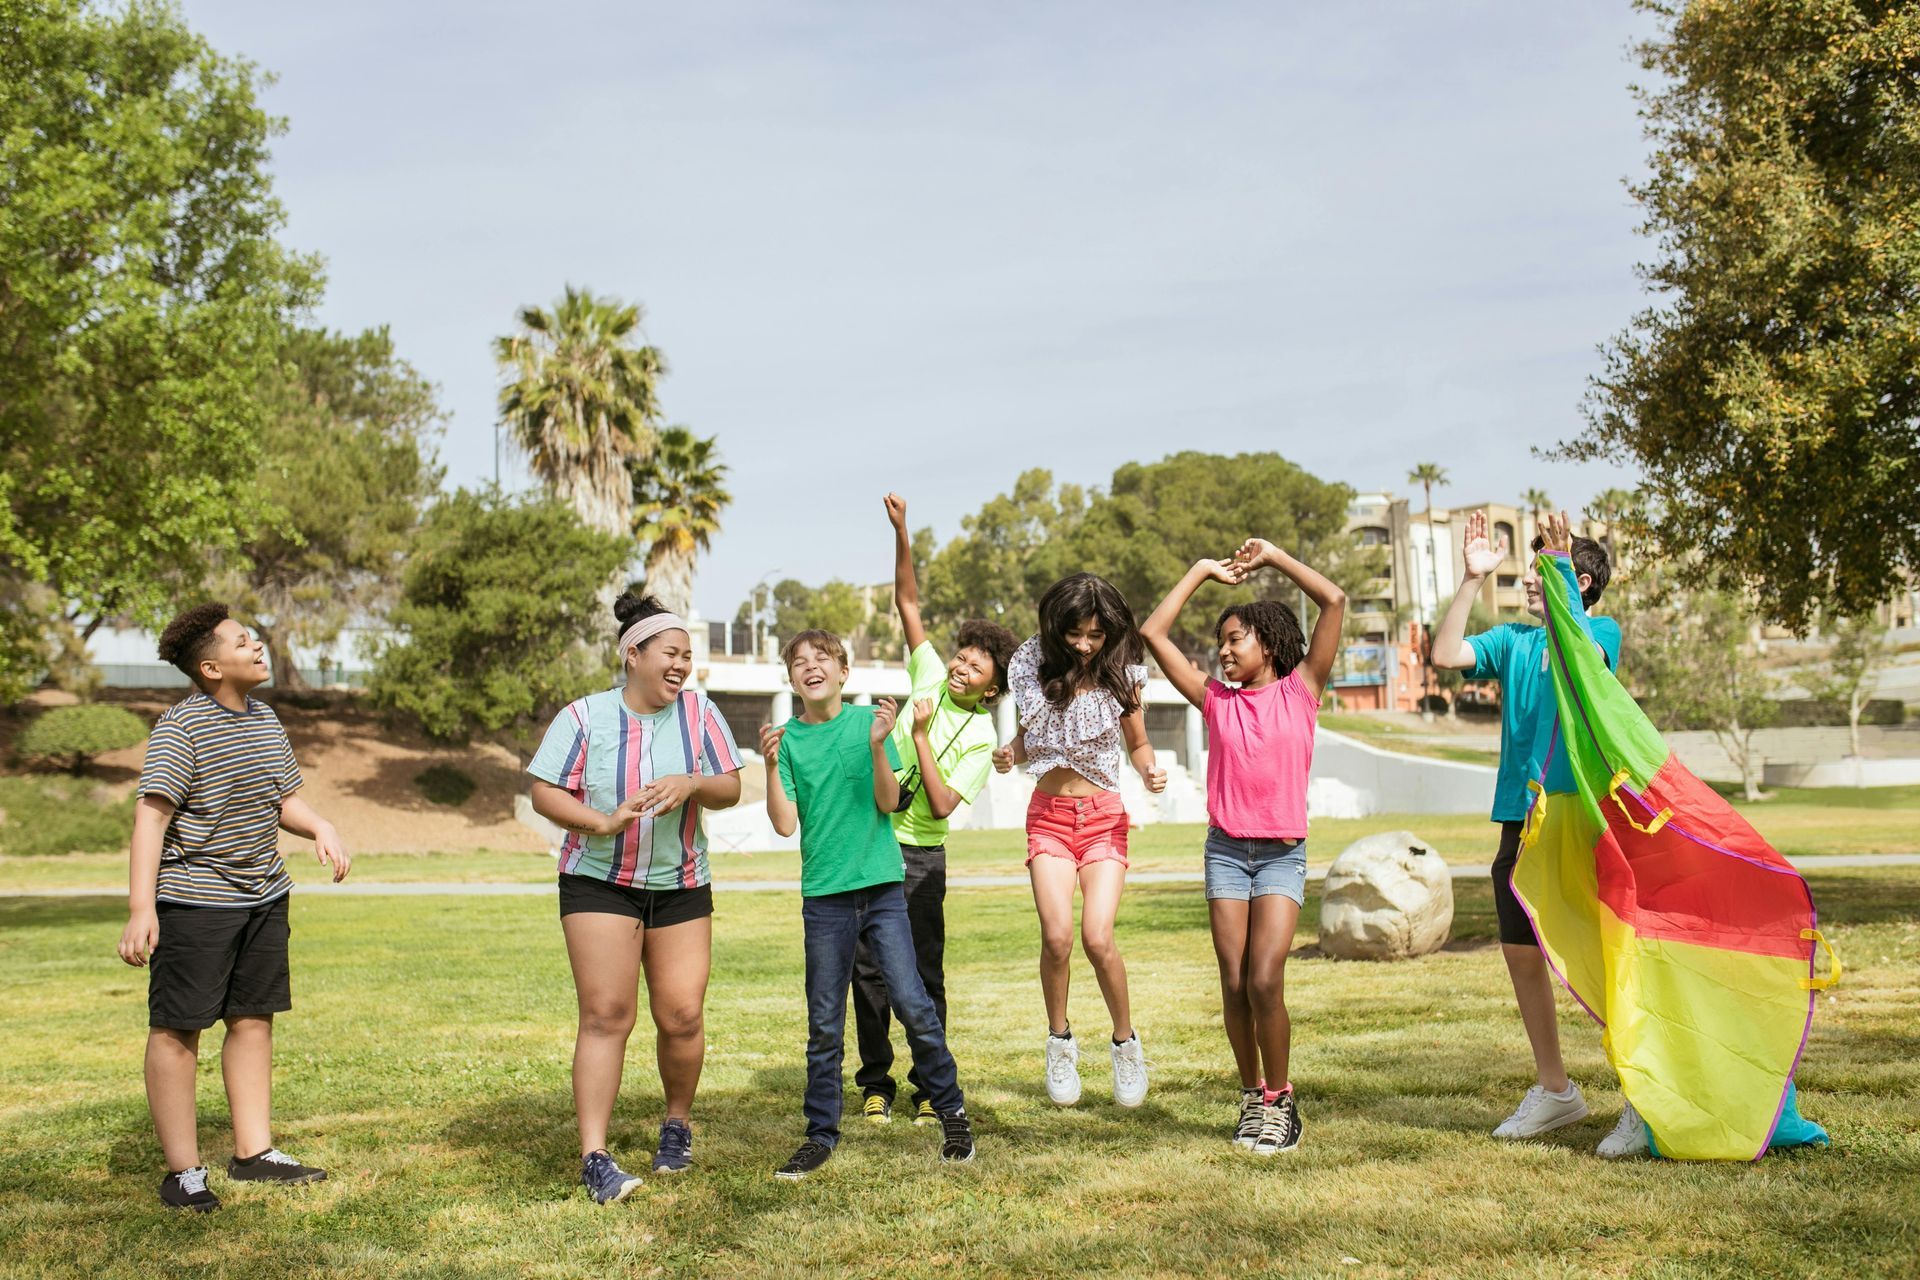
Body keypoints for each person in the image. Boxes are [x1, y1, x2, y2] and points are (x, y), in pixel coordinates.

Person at [117, 603, 351, 1212]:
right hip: (195, 901)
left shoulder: (266, 719)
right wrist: (143, 907)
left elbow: (283, 799)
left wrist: (319, 824)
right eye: (244, 642)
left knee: (252, 1017)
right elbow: (151, 819)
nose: (258, 647)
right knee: (178, 1028)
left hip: (263, 894)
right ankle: (183, 1172)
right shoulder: (181, 728)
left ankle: (253, 1154)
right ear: (212, 665)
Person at [1433, 509, 1641, 1156]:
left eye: (1544, 567)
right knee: (1523, 955)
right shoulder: (1515, 643)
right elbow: (1444, 656)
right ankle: (1556, 1090)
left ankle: (1642, 1097)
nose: (1528, 578)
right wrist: (1469, 581)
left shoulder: (1599, 630)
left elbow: (1585, 659)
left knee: (1607, 955)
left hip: (1583, 813)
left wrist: (1554, 567)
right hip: (1519, 818)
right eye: (1531, 567)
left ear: (1579, 580)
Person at [527, 593, 744, 1204]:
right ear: (633, 654)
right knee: (606, 1016)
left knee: (681, 1015)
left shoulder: (701, 714)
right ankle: (594, 1156)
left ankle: (676, 1125)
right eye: (670, 653)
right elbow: (545, 792)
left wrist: (692, 782)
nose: (681, 666)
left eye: (687, 656)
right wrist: (600, 822)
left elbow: (729, 787)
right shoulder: (583, 717)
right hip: (597, 881)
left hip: (681, 885)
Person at [1139, 538, 1344, 1155]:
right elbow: (1154, 632)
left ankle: (1282, 1100)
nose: (1224, 651)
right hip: (1227, 852)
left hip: (1281, 854)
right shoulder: (1216, 701)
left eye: (1236, 640)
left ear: (1270, 644)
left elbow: (1334, 599)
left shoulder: (1303, 688)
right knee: (1232, 982)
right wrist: (1202, 570)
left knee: (1263, 978)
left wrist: (1275, 558)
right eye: (1222, 641)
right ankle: (1251, 1096)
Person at [760, 630, 976, 1179]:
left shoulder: (868, 725)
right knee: (825, 1022)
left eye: (821, 659)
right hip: (825, 899)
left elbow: (887, 802)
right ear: (791, 680)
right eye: (799, 663)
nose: (811, 668)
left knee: (912, 1002)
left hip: (881, 890)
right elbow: (785, 824)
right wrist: (767, 767)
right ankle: (819, 1133)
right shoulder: (786, 741)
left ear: (842, 672)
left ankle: (951, 1111)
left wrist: (880, 744)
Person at [852, 494, 1016, 1127]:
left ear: (992, 687)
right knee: (867, 973)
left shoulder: (979, 736)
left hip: (920, 855)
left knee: (921, 972)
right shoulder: (924, 669)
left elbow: (944, 804)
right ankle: (875, 1082)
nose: (961, 664)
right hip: (873, 842)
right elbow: (908, 602)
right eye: (962, 654)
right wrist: (902, 533)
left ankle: (928, 1084)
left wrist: (920, 736)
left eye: (977, 664)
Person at [993, 573, 1166, 1108]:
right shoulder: (1031, 665)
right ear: (1057, 628)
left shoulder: (1121, 676)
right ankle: (1060, 1042)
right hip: (1047, 816)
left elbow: (1137, 743)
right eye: (1076, 633)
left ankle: (1125, 1043)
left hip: (1102, 817)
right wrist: (1011, 752)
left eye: (1095, 633)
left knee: (1097, 937)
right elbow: (1036, 735)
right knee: (1057, 936)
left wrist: (1150, 770)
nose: (1086, 644)